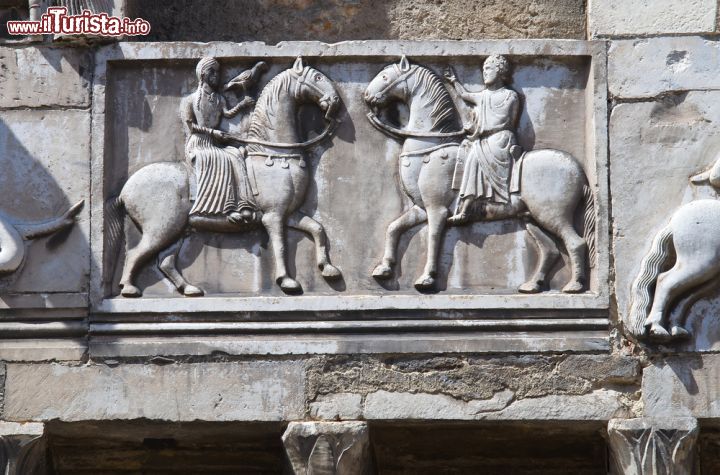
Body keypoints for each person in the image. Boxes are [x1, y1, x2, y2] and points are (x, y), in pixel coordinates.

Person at [180, 56, 264, 228]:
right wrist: (213, 132)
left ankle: (244, 204)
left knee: (236, 154)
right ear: (204, 74)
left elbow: (228, 114)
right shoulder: (190, 100)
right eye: (213, 72)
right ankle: (223, 208)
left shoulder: (219, 98)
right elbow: (190, 125)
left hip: (214, 143)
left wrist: (242, 104)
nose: (217, 76)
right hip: (199, 144)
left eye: (218, 72)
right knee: (222, 158)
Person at [445, 55, 522, 225]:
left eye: (488, 69)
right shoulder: (483, 95)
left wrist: (488, 131)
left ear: (500, 71)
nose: (484, 72)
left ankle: (502, 198)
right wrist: (454, 80)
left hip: (501, 139)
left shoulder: (511, 96)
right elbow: (464, 94)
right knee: (471, 157)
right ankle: (465, 209)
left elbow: (510, 122)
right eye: (483, 69)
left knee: (475, 154)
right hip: (484, 140)